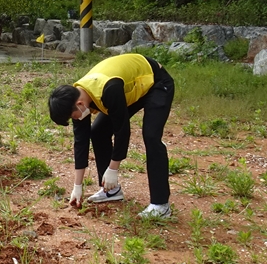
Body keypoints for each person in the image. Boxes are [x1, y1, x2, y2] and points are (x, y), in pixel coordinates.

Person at [48, 53, 175, 219]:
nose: (76, 120)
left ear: (79, 105)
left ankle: (161, 205)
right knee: (98, 131)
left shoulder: (108, 90)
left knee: (151, 137)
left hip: (156, 83)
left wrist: (113, 168)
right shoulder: (77, 97)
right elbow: (81, 141)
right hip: (130, 89)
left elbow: (122, 130)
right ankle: (111, 190)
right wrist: (77, 186)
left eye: (73, 117)